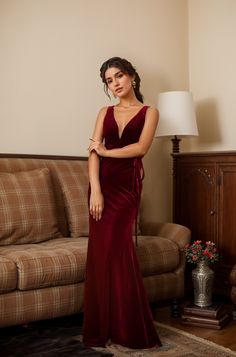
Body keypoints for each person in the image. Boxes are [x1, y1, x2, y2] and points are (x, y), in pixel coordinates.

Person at [82, 56, 162, 349]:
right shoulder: (104, 111)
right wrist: (96, 190)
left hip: (127, 189)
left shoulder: (150, 112)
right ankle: (100, 329)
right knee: (102, 256)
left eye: (119, 76)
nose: (115, 84)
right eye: (109, 80)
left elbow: (140, 149)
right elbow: (92, 153)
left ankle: (129, 329)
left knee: (120, 251)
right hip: (101, 188)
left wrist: (105, 151)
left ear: (132, 77)